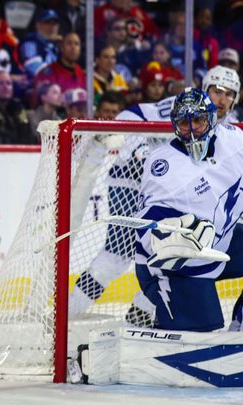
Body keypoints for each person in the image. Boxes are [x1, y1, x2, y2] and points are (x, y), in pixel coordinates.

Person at [69, 69, 241, 321]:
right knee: (117, 256)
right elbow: (132, 114)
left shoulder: (229, 130)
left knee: (176, 260)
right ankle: (66, 314)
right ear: (205, 88)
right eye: (216, 90)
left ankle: (137, 320)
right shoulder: (181, 105)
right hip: (132, 182)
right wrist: (137, 148)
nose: (222, 99)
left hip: (182, 199)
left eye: (229, 94)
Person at [135, 88, 243, 332]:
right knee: (205, 336)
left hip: (219, 244)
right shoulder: (163, 164)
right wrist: (169, 237)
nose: (192, 130)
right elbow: (147, 230)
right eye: (185, 123)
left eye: (198, 121)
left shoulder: (234, 141)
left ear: (212, 119)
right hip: (178, 265)